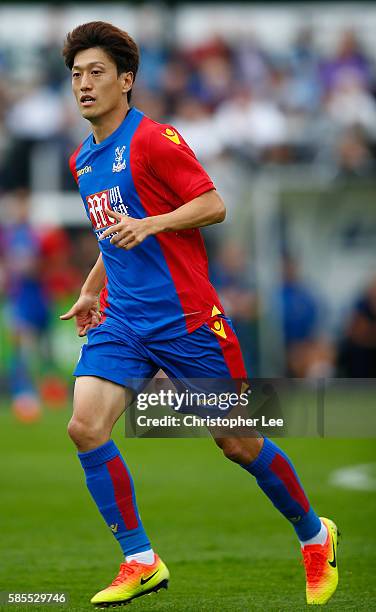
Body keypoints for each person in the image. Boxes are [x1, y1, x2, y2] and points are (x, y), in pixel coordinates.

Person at [60, 22, 339, 607]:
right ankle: (140, 559)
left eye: (97, 73)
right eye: (77, 74)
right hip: (123, 321)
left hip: (188, 321)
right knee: (85, 426)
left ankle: (315, 536)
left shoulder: (156, 139)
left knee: (237, 442)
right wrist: (91, 289)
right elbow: (116, 241)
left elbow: (213, 203)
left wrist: (156, 222)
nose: (83, 84)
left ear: (126, 81)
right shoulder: (83, 160)